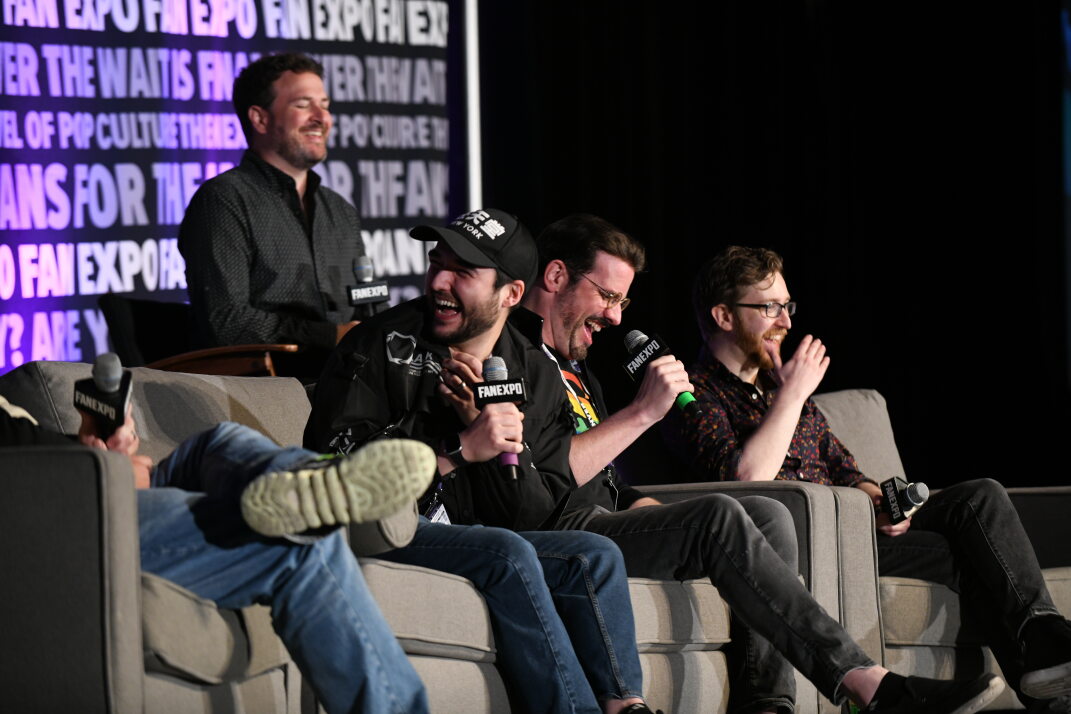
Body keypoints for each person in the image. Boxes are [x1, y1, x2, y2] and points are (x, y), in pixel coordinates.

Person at [515, 214, 1008, 714]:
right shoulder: (516, 358)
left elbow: (610, 484)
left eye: (623, 302)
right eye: (608, 297)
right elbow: (545, 475)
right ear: (555, 278)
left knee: (769, 515)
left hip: (607, 518)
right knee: (726, 512)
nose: (617, 318)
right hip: (564, 529)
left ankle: (771, 704)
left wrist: (654, 510)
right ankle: (870, 685)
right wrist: (643, 412)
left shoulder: (580, 374)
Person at [671, 244, 1071, 713]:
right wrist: (793, 395)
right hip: (799, 546)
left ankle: (1043, 641)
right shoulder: (692, 392)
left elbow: (849, 472)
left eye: (787, 306)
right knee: (973, 560)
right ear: (722, 315)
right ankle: (1045, 691)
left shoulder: (785, 395)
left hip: (861, 537)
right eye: (769, 307)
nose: (785, 321)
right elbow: (747, 477)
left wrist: (881, 505)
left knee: (977, 499)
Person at [306, 208, 656, 714]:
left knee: (593, 555)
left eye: (463, 272)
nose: (440, 282)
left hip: (477, 528)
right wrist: (459, 446)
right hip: (390, 525)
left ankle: (628, 707)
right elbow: (337, 473)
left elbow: (530, 512)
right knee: (505, 554)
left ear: (511, 294)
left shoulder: (534, 371)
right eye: (437, 263)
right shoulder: (381, 342)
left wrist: (495, 446)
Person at [0, 393, 437, 714]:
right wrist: (96, 472)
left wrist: (96, 451)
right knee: (294, 542)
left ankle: (301, 481)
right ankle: (307, 499)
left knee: (214, 443)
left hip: (84, 481)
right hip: (58, 518)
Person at [179, 52, 363, 373]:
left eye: (326, 104)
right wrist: (328, 336)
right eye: (303, 105)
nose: (322, 117)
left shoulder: (341, 211)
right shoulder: (223, 201)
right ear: (260, 119)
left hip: (348, 382)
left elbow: (366, 302)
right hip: (265, 388)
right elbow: (226, 321)